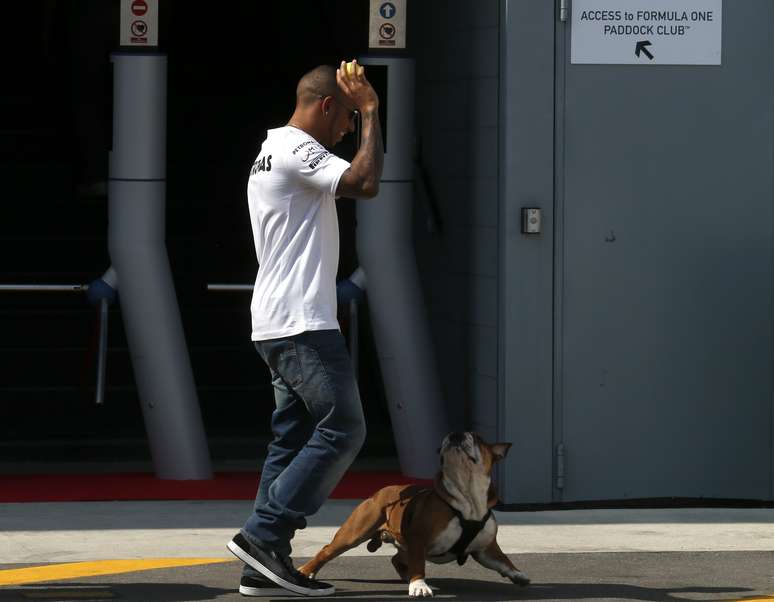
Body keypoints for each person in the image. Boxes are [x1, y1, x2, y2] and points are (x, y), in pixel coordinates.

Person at [227, 60, 384, 597]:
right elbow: (365, 182)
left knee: (292, 438)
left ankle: (261, 568)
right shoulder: (297, 148)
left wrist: (358, 111)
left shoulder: (272, 149)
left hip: (277, 320)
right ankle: (263, 536)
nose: (346, 131)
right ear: (325, 106)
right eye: (343, 119)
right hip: (301, 323)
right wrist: (370, 111)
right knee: (345, 427)